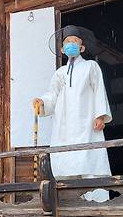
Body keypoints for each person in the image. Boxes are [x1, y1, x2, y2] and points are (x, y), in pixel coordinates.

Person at [33, 25, 112, 178]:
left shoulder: (91, 66)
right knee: (65, 164)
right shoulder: (59, 72)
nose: (71, 44)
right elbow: (52, 95)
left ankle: (94, 201)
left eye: (75, 41)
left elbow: (99, 91)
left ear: (81, 48)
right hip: (64, 125)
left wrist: (100, 116)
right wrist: (42, 102)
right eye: (68, 42)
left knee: (89, 164)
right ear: (62, 50)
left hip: (87, 123)